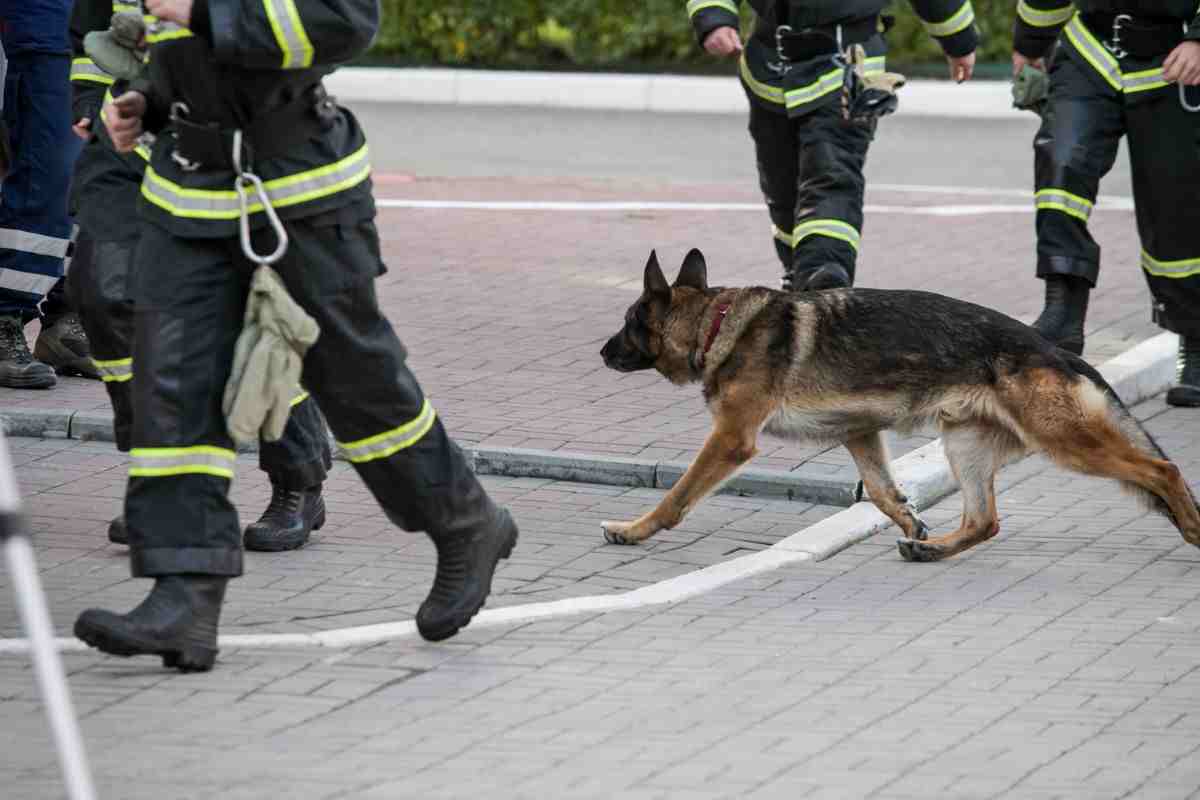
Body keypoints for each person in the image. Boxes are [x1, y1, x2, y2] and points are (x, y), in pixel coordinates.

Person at [73, 0, 518, 672]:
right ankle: (185, 593)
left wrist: (202, 12)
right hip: (187, 188)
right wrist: (148, 98)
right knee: (172, 383)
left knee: (353, 378)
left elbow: (344, 19)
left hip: (297, 183)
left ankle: (466, 521)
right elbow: (177, 50)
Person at [67, 0, 331, 552]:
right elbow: (91, 29)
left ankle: (297, 478)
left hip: (226, 135)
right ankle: (168, 481)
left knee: (245, 315)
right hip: (123, 138)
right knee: (100, 291)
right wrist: (93, 102)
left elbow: (314, 30)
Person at [686, 0, 979, 291]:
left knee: (832, 178)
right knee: (782, 190)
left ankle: (823, 287)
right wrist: (715, 17)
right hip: (769, 70)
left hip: (847, 69)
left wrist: (960, 41)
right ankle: (797, 273)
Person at [1014, 1, 1200, 405]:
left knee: (1177, 212)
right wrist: (1029, 44)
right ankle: (1062, 310)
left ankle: (1196, 341)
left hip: (1176, 60)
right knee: (1061, 167)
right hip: (1091, 51)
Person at [0, 0, 96, 388]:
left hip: (108, 36)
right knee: (50, 177)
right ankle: (7, 319)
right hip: (48, 28)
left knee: (97, 180)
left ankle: (67, 322)